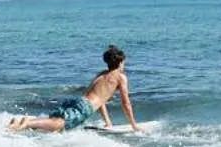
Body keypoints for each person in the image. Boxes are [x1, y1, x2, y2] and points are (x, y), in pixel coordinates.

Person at [9, 45, 140, 133]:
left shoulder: (101, 74)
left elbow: (101, 101)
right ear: (120, 63)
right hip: (86, 107)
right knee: (60, 124)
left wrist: (108, 122)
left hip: (80, 101)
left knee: (55, 121)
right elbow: (126, 103)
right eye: (124, 63)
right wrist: (134, 125)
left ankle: (22, 122)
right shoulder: (120, 77)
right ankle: (28, 123)